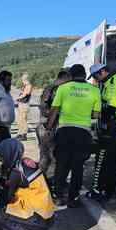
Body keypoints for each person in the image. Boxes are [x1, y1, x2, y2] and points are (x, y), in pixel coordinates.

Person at [46, 64, 101, 207]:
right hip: (83, 133)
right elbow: (96, 114)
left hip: (64, 131)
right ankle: (73, 198)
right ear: (84, 75)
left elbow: (54, 110)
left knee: (61, 165)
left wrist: (49, 128)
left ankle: (58, 196)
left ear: (71, 75)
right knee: (78, 167)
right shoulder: (95, 90)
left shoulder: (63, 88)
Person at [0, 138, 55, 230]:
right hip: (47, 216)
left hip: (39, 220)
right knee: (4, 206)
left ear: (9, 153)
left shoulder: (16, 172)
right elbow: (10, 184)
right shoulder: (24, 164)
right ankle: (19, 228)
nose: (0, 159)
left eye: (1, 156)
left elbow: (4, 199)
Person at [86, 64, 116, 202]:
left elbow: (111, 107)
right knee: (109, 160)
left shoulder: (115, 82)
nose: (95, 79)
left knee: (105, 159)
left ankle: (104, 190)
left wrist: (92, 112)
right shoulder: (112, 80)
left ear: (102, 71)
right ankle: (108, 189)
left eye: (96, 76)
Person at [36, 70, 71, 176]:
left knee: (45, 156)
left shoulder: (49, 88)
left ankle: (42, 180)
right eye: (69, 80)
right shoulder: (55, 89)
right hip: (48, 127)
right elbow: (45, 109)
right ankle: (49, 181)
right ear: (64, 78)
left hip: (45, 126)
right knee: (52, 156)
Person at [16, 73, 32, 141]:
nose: (22, 80)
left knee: (23, 120)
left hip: (24, 104)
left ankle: (24, 134)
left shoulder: (29, 86)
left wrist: (18, 97)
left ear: (25, 79)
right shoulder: (25, 85)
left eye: (23, 79)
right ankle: (20, 133)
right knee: (19, 119)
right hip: (21, 104)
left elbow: (26, 93)